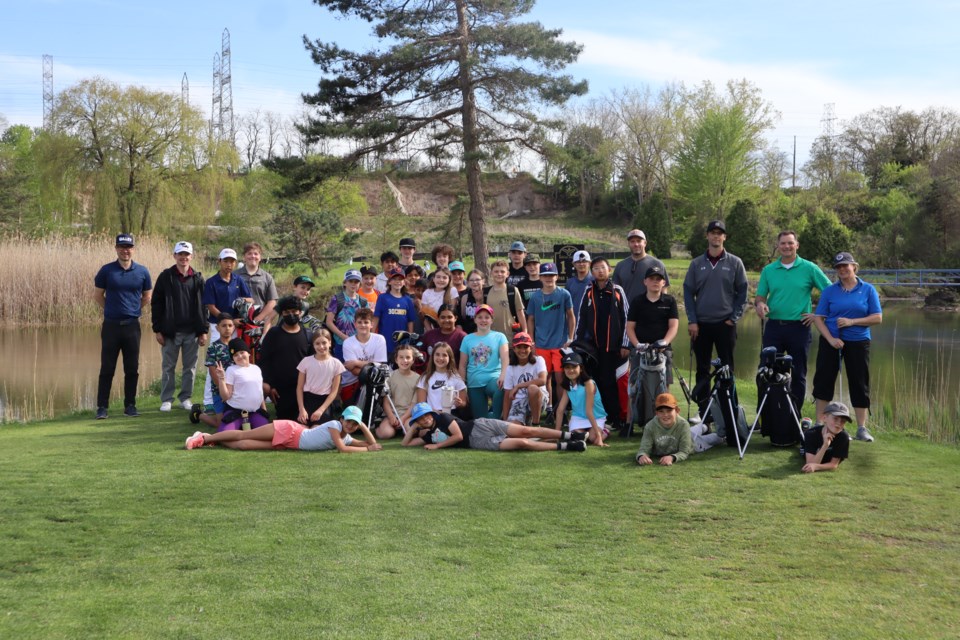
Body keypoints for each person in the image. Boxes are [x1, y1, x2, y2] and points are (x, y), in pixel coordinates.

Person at [755, 231, 832, 412]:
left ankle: (793, 416)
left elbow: (830, 292)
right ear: (778, 246)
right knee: (766, 371)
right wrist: (760, 305)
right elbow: (760, 297)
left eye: (790, 243)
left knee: (798, 374)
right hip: (774, 327)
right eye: (783, 243)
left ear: (797, 245)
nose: (786, 246)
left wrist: (818, 315)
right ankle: (764, 418)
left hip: (800, 327)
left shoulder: (809, 268)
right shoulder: (769, 270)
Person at [811, 252, 883, 442]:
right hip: (831, 342)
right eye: (839, 267)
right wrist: (830, 339)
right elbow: (818, 318)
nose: (842, 269)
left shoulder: (868, 290)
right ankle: (820, 424)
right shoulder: (829, 291)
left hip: (858, 341)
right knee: (824, 380)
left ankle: (861, 428)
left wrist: (852, 322)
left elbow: (877, 318)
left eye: (846, 266)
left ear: (854, 267)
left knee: (859, 383)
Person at [93, 233, 153, 419]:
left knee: (132, 368)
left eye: (128, 247)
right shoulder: (107, 270)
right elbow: (98, 296)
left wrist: (133, 310)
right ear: (116, 249)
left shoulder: (142, 272)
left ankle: (130, 405)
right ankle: (102, 407)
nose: (125, 251)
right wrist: (112, 310)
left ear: (133, 249)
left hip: (132, 326)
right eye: (122, 247)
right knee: (107, 368)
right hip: (111, 326)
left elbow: (147, 296)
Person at [683, 220, 748, 387]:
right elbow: (688, 293)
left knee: (726, 369)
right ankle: (703, 409)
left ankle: (725, 410)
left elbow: (742, 293)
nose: (716, 236)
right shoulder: (696, 264)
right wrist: (692, 320)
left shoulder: (735, 262)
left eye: (719, 233)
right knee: (702, 368)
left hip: (725, 324)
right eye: (713, 232)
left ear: (724, 237)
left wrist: (733, 318)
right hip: (701, 325)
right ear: (707, 236)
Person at [151, 241, 207, 412]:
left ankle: (185, 398)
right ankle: (167, 399)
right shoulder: (166, 276)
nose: (183, 257)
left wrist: (203, 330)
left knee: (189, 368)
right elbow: (156, 304)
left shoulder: (197, 278)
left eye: (186, 254)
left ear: (191, 256)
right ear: (174, 255)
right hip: (170, 332)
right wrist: (157, 329)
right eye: (180, 254)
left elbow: (204, 306)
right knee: (168, 367)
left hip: (192, 332)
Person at [575, 257, 630, 429]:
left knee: (613, 382)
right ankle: (602, 417)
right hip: (595, 347)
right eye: (596, 268)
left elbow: (627, 318)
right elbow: (581, 318)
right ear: (592, 272)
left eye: (602, 268)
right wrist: (577, 343)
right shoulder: (588, 291)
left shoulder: (617, 290)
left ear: (609, 270)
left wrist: (625, 344)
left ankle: (618, 418)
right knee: (597, 381)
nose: (599, 271)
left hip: (614, 347)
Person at [185, 405, 382, 453]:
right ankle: (205, 437)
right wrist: (367, 449)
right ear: (342, 419)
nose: (350, 426)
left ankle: (214, 439)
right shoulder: (334, 425)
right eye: (349, 421)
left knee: (243, 445)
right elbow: (343, 450)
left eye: (354, 424)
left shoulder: (347, 436)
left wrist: (364, 427)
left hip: (290, 444)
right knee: (244, 434)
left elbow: (372, 444)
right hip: (290, 430)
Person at [403, 403, 587, 452]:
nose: (425, 419)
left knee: (526, 431)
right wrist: (413, 426)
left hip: (480, 425)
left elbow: (458, 436)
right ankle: (567, 446)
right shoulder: (427, 436)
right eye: (421, 419)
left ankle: (571, 435)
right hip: (479, 443)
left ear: (432, 414)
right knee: (523, 443)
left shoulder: (443, 417)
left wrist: (437, 446)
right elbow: (405, 445)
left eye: (426, 415)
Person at [526, 262, 575, 409]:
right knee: (544, 378)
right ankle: (549, 407)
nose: (549, 278)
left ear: (557, 277)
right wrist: (531, 341)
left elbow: (571, 316)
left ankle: (562, 409)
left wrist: (570, 338)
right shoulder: (535, 297)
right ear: (540, 277)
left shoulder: (564, 294)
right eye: (545, 276)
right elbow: (530, 320)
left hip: (559, 344)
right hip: (541, 344)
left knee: (560, 378)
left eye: (552, 275)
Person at [259, 296, 312, 420]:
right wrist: (271, 386)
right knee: (286, 419)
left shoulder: (307, 334)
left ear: (300, 312)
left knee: (304, 420)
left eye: (294, 312)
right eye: (287, 312)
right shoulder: (273, 333)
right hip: (280, 388)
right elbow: (265, 361)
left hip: (303, 386)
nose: (291, 315)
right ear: (282, 313)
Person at [459, 304, 509, 419]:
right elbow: (462, 365)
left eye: (487, 317)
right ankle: (490, 420)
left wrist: (503, 375)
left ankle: (497, 418)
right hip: (474, 382)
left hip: (493, 379)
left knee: (500, 390)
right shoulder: (467, 339)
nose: (483, 320)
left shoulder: (500, 336)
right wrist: (462, 386)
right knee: (480, 421)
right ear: (475, 319)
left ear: (492, 320)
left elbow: (505, 359)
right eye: (480, 317)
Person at [214, 338, 270, 432]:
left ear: (248, 353)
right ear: (233, 359)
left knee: (266, 433)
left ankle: (244, 434)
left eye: (242, 352)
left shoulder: (256, 369)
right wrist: (222, 378)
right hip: (235, 411)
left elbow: (259, 392)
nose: (239, 356)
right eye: (235, 355)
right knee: (225, 435)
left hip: (254, 412)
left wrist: (264, 411)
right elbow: (226, 397)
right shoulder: (231, 370)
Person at [553, 351, 607, 446]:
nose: (570, 370)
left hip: (596, 417)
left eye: (574, 367)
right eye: (567, 367)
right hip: (578, 417)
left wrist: (599, 437)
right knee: (577, 437)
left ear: (581, 368)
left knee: (592, 438)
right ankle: (596, 431)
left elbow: (589, 411)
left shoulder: (589, 383)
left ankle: (605, 431)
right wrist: (556, 434)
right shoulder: (567, 385)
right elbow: (560, 410)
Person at [296, 329, 346, 426]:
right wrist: (301, 409)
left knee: (315, 433)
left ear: (330, 343)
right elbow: (299, 387)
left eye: (324, 343)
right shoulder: (306, 361)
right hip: (307, 402)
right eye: (317, 344)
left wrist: (321, 410)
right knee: (301, 433)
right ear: (313, 345)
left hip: (324, 403)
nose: (321, 346)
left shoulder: (336, 364)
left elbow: (334, 391)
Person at [194, 313, 235, 428]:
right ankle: (198, 414)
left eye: (230, 325)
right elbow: (213, 372)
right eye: (224, 326)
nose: (227, 328)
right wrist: (224, 390)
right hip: (219, 390)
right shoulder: (213, 348)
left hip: (236, 390)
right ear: (217, 328)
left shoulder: (238, 345)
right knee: (220, 424)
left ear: (234, 327)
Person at [341, 308, 388, 403]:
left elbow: (380, 365)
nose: (363, 325)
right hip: (352, 382)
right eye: (360, 322)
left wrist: (356, 362)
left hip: (375, 381)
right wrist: (373, 367)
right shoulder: (348, 342)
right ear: (355, 324)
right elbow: (354, 371)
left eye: (366, 322)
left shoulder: (379, 339)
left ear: (371, 324)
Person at [612, 229, 669, 307]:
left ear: (645, 243)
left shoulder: (657, 264)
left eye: (639, 241)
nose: (636, 244)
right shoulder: (620, 266)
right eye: (632, 241)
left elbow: (663, 289)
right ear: (628, 244)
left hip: (650, 311)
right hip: (626, 313)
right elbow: (615, 291)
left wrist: (661, 309)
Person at [634, 392, 694, 466]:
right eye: (661, 411)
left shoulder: (683, 425)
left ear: (677, 411)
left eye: (669, 411)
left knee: (710, 438)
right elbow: (643, 449)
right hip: (687, 432)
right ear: (656, 413)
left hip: (695, 440)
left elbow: (684, 451)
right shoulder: (650, 426)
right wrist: (641, 456)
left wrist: (672, 457)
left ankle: (706, 428)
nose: (665, 415)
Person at [503, 332, 548, 425]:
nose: (522, 350)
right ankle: (525, 422)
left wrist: (518, 386)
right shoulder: (510, 368)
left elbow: (543, 380)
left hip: (539, 398)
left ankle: (536, 424)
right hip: (519, 402)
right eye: (519, 347)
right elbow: (507, 395)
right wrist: (505, 421)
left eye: (525, 347)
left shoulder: (539, 360)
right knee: (513, 430)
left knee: (532, 388)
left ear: (531, 348)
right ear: (514, 349)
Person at [377, 343, 420, 439]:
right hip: (392, 414)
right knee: (386, 434)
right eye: (401, 357)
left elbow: (414, 403)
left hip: (409, 415)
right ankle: (379, 428)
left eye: (408, 357)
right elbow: (386, 401)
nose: (405, 360)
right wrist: (391, 416)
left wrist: (403, 418)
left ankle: (401, 428)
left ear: (413, 360)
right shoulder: (390, 377)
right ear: (396, 359)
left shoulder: (418, 379)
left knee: (411, 432)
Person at [373, 267, 417, 359]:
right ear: (389, 282)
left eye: (400, 279)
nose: (398, 282)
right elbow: (376, 317)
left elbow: (410, 321)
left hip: (402, 342)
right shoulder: (383, 298)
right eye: (394, 279)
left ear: (404, 282)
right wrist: (372, 336)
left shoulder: (408, 300)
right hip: (385, 340)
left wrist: (410, 338)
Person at [325, 269, 369, 361]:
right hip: (341, 342)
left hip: (359, 343)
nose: (353, 284)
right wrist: (343, 337)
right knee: (340, 370)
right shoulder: (337, 299)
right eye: (351, 281)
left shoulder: (363, 301)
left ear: (360, 284)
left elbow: (367, 323)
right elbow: (329, 322)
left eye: (356, 282)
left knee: (358, 370)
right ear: (345, 283)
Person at [236, 242, 278, 333]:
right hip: (238, 324)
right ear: (244, 257)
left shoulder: (267, 277)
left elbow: (272, 301)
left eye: (256, 253)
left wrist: (258, 318)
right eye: (249, 253)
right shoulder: (234, 276)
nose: (253, 256)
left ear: (260, 257)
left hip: (260, 324)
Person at [416, 342, 468, 415]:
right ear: (432, 356)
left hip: (451, 414)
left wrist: (460, 403)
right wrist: (435, 412)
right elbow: (421, 404)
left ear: (450, 358)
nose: (440, 358)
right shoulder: (425, 377)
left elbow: (464, 403)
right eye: (437, 354)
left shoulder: (456, 377)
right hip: (432, 414)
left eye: (444, 355)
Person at [801, 401, 852, 473]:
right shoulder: (811, 435)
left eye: (843, 421)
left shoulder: (843, 437)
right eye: (835, 419)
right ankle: (805, 427)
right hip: (810, 439)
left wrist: (816, 466)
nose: (839, 423)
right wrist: (825, 446)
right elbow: (809, 464)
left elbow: (833, 464)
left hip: (823, 457)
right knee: (802, 436)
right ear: (824, 418)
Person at [484, 260, 527, 340]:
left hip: (510, 338)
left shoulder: (513, 291)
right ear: (491, 273)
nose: (499, 274)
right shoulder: (486, 292)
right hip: (490, 338)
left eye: (502, 271)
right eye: (496, 271)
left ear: (507, 274)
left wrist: (524, 332)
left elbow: (520, 313)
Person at [565, 250, 594, 326]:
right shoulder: (569, 283)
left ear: (589, 263)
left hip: (592, 326)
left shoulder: (595, 281)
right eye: (578, 262)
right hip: (574, 325)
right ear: (573, 264)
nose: (581, 264)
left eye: (584, 261)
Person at [458, 269, 486, 334]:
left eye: (477, 280)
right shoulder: (465, 298)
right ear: (467, 282)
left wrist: (478, 301)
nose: (474, 282)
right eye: (471, 280)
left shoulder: (488, 295)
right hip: (469, 333)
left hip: (485, 333)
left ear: (483, 281)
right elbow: (462, 318)